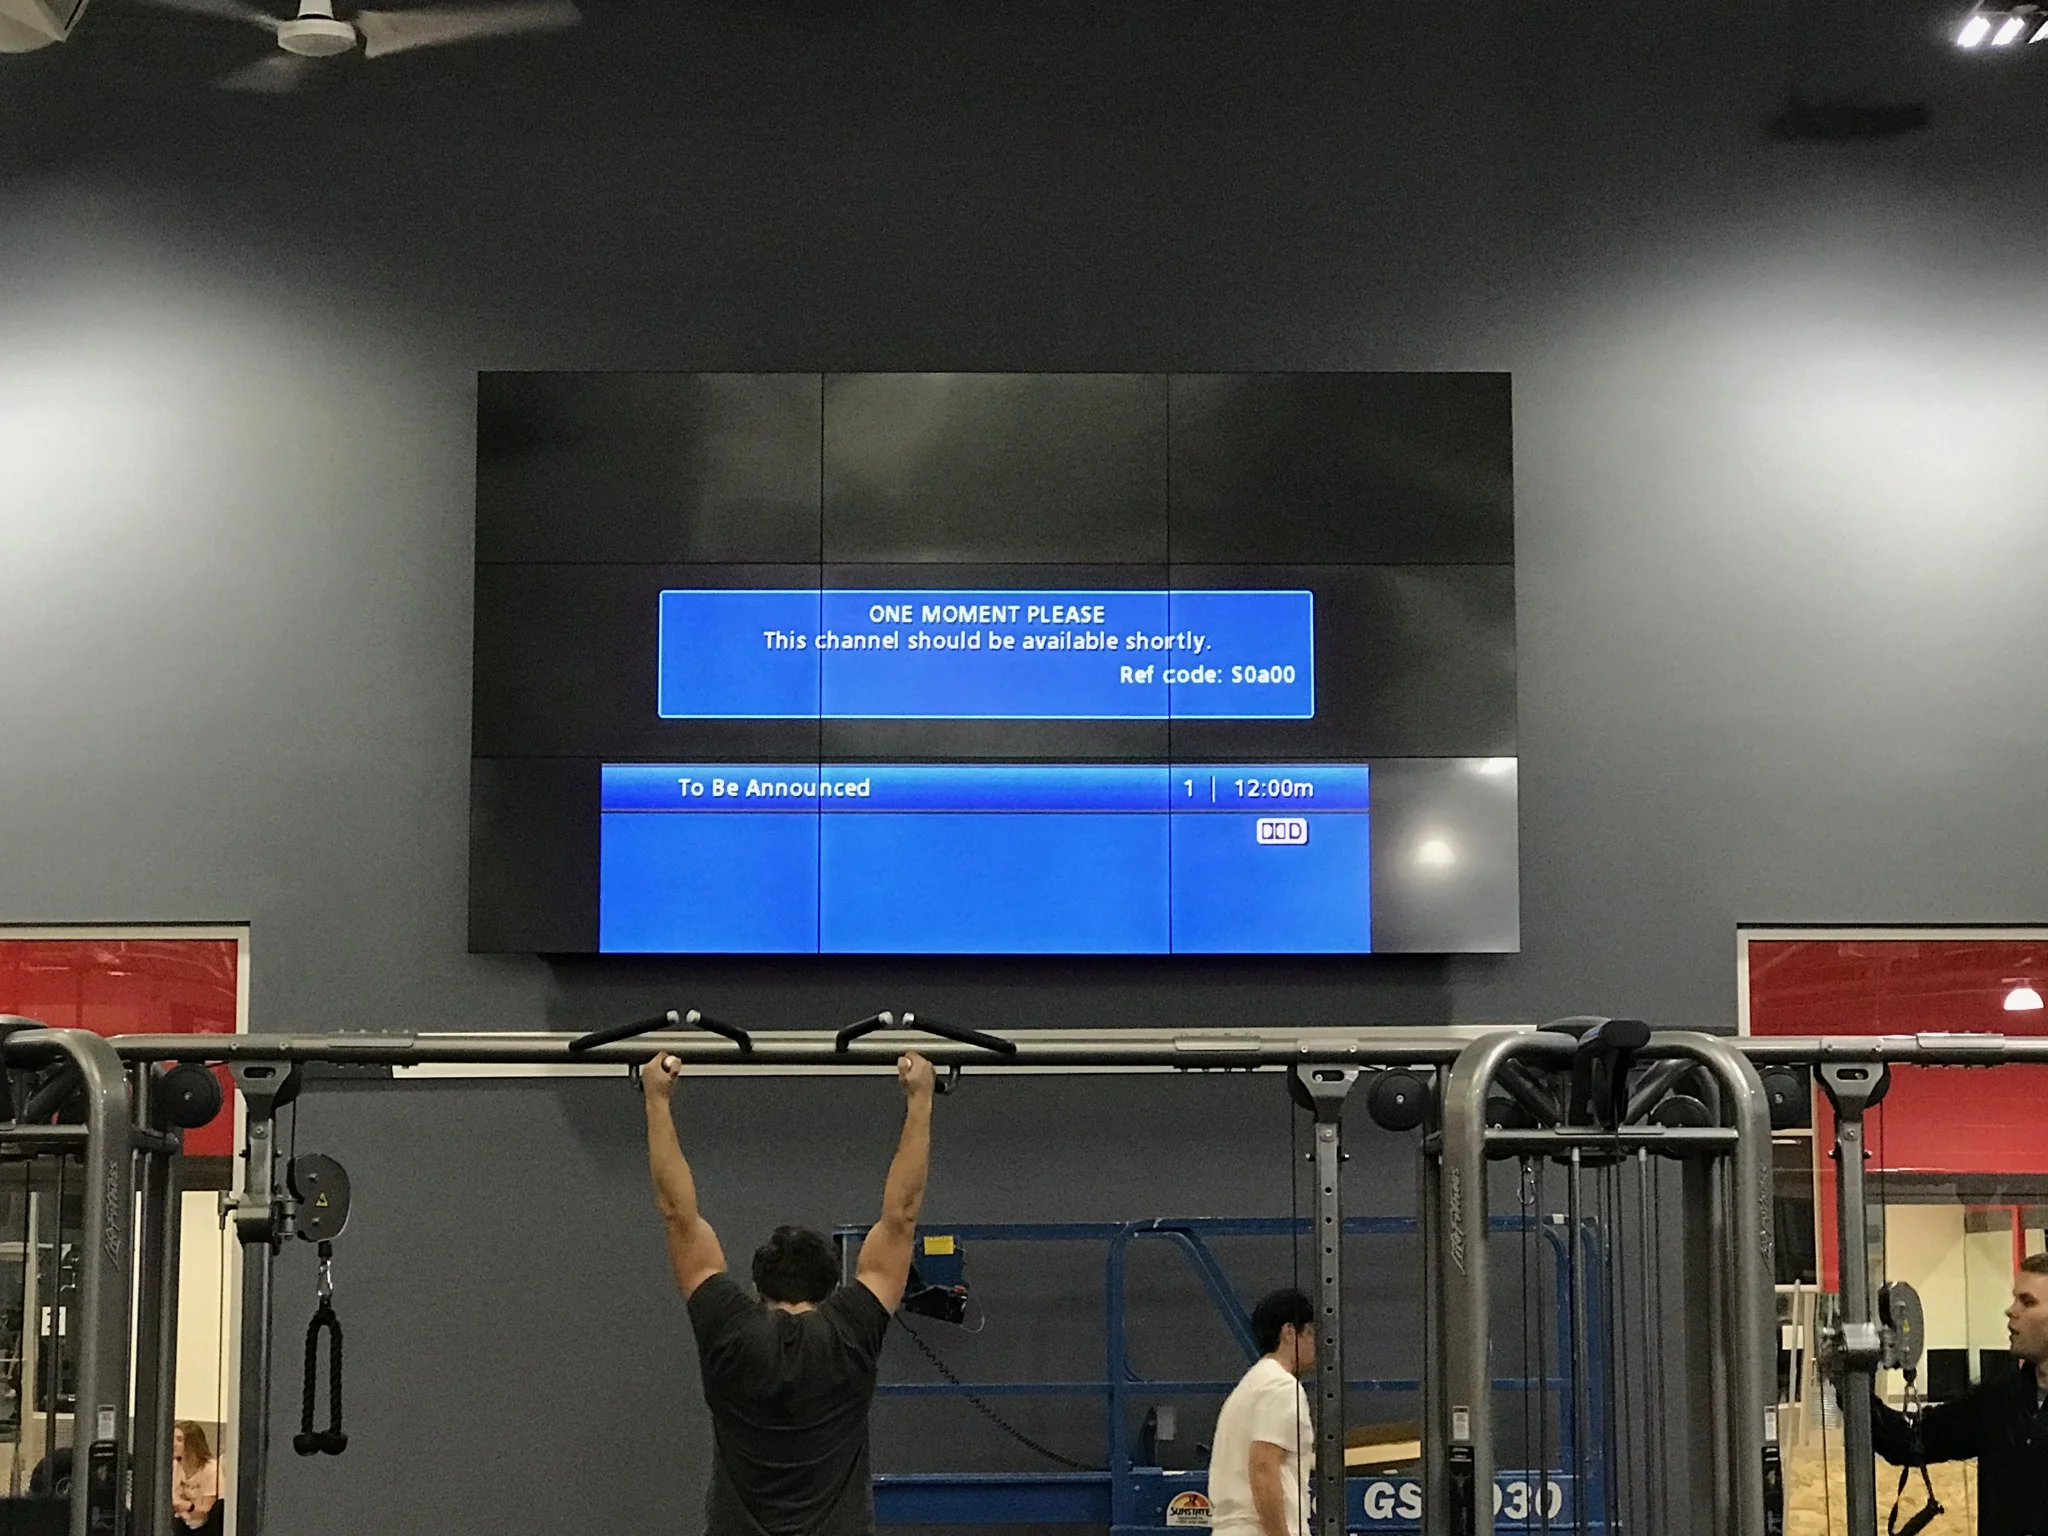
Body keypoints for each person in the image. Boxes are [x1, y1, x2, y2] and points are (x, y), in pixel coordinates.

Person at [642, 1048, 936, 1536]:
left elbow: (677, 1213)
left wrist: (657, 1100)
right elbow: (901, 1216)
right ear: (832, 1285)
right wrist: (920, 1099)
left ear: (757, 1287)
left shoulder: (731, 1332)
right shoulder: (849, 1332)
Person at [1871, 1250, 2048, 1536]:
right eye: (2015, 1298)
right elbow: (1905, 1441)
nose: (2011, 1310)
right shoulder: (1999, 1399)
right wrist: (1853, 1379)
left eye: (2027, 1302)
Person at [1208, 1288, 1317, 1536]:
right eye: (1309, 1332)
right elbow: (1263, 1466)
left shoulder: (1249, 1386)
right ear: (1289, 1332)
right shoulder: (1281, 1386)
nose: (1314, 1343)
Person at [170, 1420, 223, 1534]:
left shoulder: (211, 1469)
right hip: (181, 1522)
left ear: (193, 1443)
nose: (173, 1443)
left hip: (207, 1526)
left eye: (179, 1440)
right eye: (172, 1438)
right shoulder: (174, 1466)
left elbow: (206, 1509)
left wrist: (188, 1507)